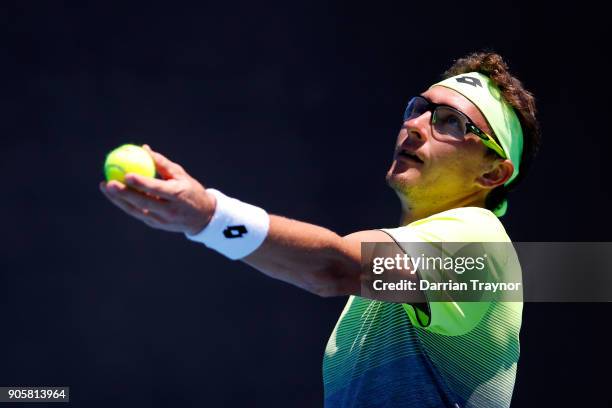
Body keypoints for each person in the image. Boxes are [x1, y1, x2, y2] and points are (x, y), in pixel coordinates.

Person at [100, 51, 540, 407]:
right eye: (420, 109)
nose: (414, 125)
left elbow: (332, 266)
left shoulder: (480, 245)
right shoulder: (384, 296)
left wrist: (208, 217)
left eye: (449, 122)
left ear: (493, 175)